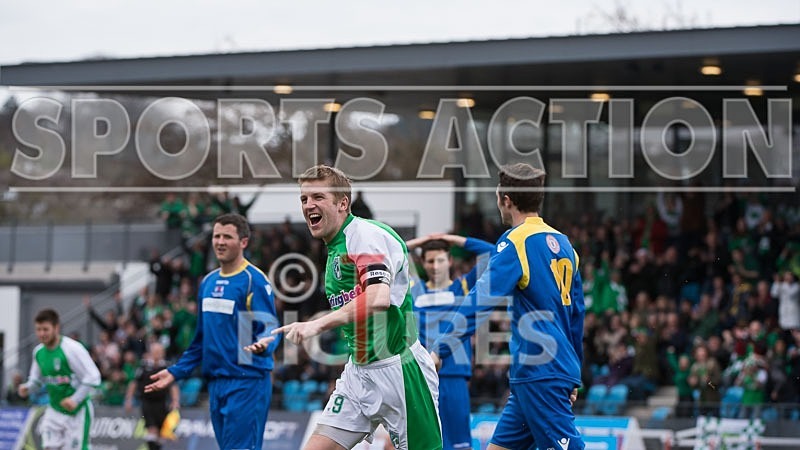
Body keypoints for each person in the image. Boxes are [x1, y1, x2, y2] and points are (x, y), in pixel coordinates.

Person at [273, 165, 442, 450]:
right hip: (359, 373)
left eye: (318, 197)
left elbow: (377, 297)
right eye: (304, 199)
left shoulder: (363, 235)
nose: (308, 205)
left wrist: (316, 324)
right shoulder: (335, 247)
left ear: (343, 203)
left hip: (400, 371)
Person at [432, 163, 585, 450]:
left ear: (506, 200)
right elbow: (576, 316)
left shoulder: (516, 242)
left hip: (541, 372)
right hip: (542, 374)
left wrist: (441, 348)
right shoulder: (566, 245)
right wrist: (573, 373)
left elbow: (479, 301)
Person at [145, 213, 281, 450]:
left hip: (247, 382)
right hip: (217, 383)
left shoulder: (253, 281)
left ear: (243, 242)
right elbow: (201, 340)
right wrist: (176, 371)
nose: (220, 242)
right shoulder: (208, 282)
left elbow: (270, 329)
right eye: (217, 236)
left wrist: (264, 344)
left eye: (227, 237)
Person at [405, 234, 492, 450]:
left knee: (458, 444)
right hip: (421, 376)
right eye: (430, 261)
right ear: (422, 262)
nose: (435, 266)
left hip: (454, 375)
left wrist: (451, 239)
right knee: (424, 443)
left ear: (450, 261)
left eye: (440, 260)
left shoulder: (463, 287)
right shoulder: (415, 289)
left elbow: (492, 254)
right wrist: (419, 242)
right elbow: (389, 255)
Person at [18, 309, 102, 450]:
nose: (42, 334)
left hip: (78, 412)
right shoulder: (38, 352)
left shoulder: (72, 349)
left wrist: (75, 399)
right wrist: (27, 387)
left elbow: (94, 376)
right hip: (55, 409)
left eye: (45, 329)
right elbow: (36, 381)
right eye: (38, 330)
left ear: (56, 328)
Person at [126, 342, 180, 450]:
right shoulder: (143, 366)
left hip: (162, 402)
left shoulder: (167, 367)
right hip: (147, 402)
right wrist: (129, 399)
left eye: (160, 352)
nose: (157, 354)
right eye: (155, 351)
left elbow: (173, 386)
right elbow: (134, 383)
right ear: (150, 352)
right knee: (151, 429)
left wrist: (175, 400)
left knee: (161, 432)